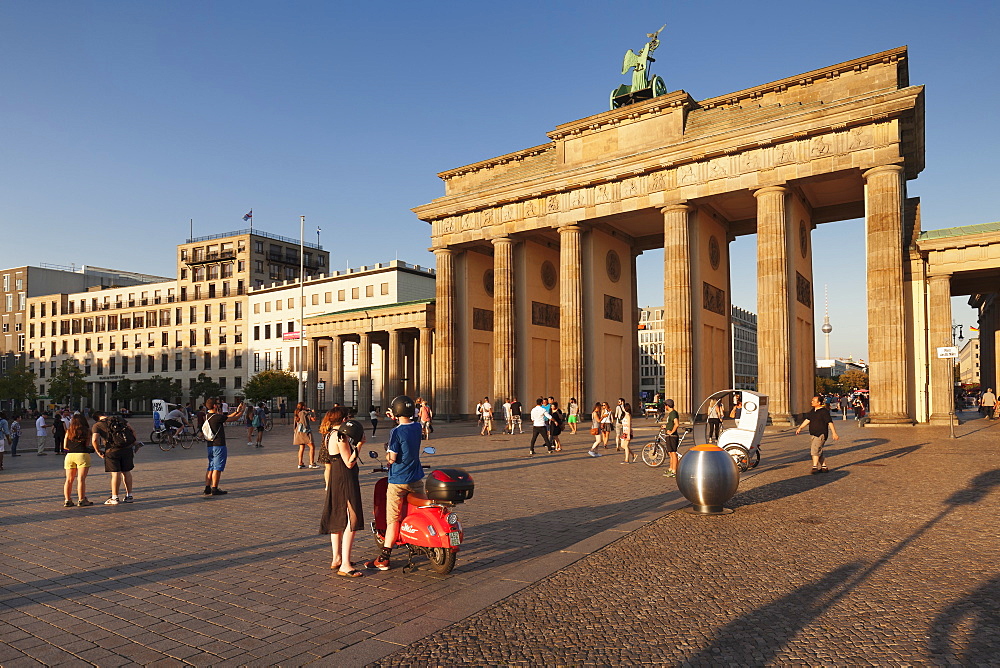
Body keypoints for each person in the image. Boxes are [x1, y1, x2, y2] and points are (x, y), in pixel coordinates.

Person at [365, 395, 424, 571]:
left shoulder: (396, 432)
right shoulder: (417, 427)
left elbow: (392, 458)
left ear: (395, 412)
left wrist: (387, 452)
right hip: (416, 478)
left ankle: (384, 557)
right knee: (421, 510)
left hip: (398, 480)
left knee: (393, 519)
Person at [319, 409, 365, 577]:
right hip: (345, 478)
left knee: (337, 517)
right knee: (351, 518)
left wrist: (327, 485)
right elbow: (349, 462)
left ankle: (336, 558)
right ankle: (345, 564)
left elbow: (328, 463)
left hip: (334, 479)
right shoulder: (340, 435)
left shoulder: (328, 435)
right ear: (344, 419)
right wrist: (360, 444)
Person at [91, 410, 139, 505]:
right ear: (104, 414)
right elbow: (132, 430)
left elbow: (94, 439)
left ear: (96, 419)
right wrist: (133, 443)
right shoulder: (119, 419)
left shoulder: (97, 425)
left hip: (112, 450)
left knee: (115, 473)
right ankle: (129, 495)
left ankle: (115, 497)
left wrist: (98, 451)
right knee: (126, 472)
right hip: (126, 449)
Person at [201, 398, 244, 495]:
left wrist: (237, 411)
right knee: (217, 467)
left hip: (210, 445)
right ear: (215, 406)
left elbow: (226, 417)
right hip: (219, 445)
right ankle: (214, 488)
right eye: (218, 404)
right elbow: (234, 419)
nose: (219, 406)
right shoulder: (216, 417)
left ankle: (207, 487)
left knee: (211, 466)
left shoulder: (208, 416)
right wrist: (242, 411)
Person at [796, 395, 840, 474]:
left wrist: (834, 433)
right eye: (812, 400)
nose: (811, 402)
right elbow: (808, 420)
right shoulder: (813, 411)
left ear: (819, 402)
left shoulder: (824, 411)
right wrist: (800, 428)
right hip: (813, 434)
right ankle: (824, 467)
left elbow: (829, 422)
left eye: (813, 401)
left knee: (814, 450)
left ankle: (814, 467)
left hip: (821, 433)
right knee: (819, 450)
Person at [63, 413, 94, 507]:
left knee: (69, 479)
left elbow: (65, 446)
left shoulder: (69, 431)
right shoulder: (87, 431)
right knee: (81, 479)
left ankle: (67, 500)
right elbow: (87, 445)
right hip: (82, 455)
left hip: (70, 456)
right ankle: (81, 499)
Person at [293, 402, 318, 469]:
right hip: (305, 432)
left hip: (298, 432)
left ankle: (300, 463)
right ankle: (311, 463)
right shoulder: (304, 413)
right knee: (312, 446)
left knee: (301, 448)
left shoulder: (297, 413)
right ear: (303, 406)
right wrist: (313, 412)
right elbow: (314, 419)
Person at [662, 399, 680, 478]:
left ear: (667, 406)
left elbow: (676, 424)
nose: (664, 407)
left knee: (673, 453)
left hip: (672, 436)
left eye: (665, 405)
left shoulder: (673, 413)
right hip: (669, 435)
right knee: (670, 453)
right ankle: (671, 468)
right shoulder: (672, 414)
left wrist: (671, 432)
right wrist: (666, 426)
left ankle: (674, 470)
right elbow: (672, 423)